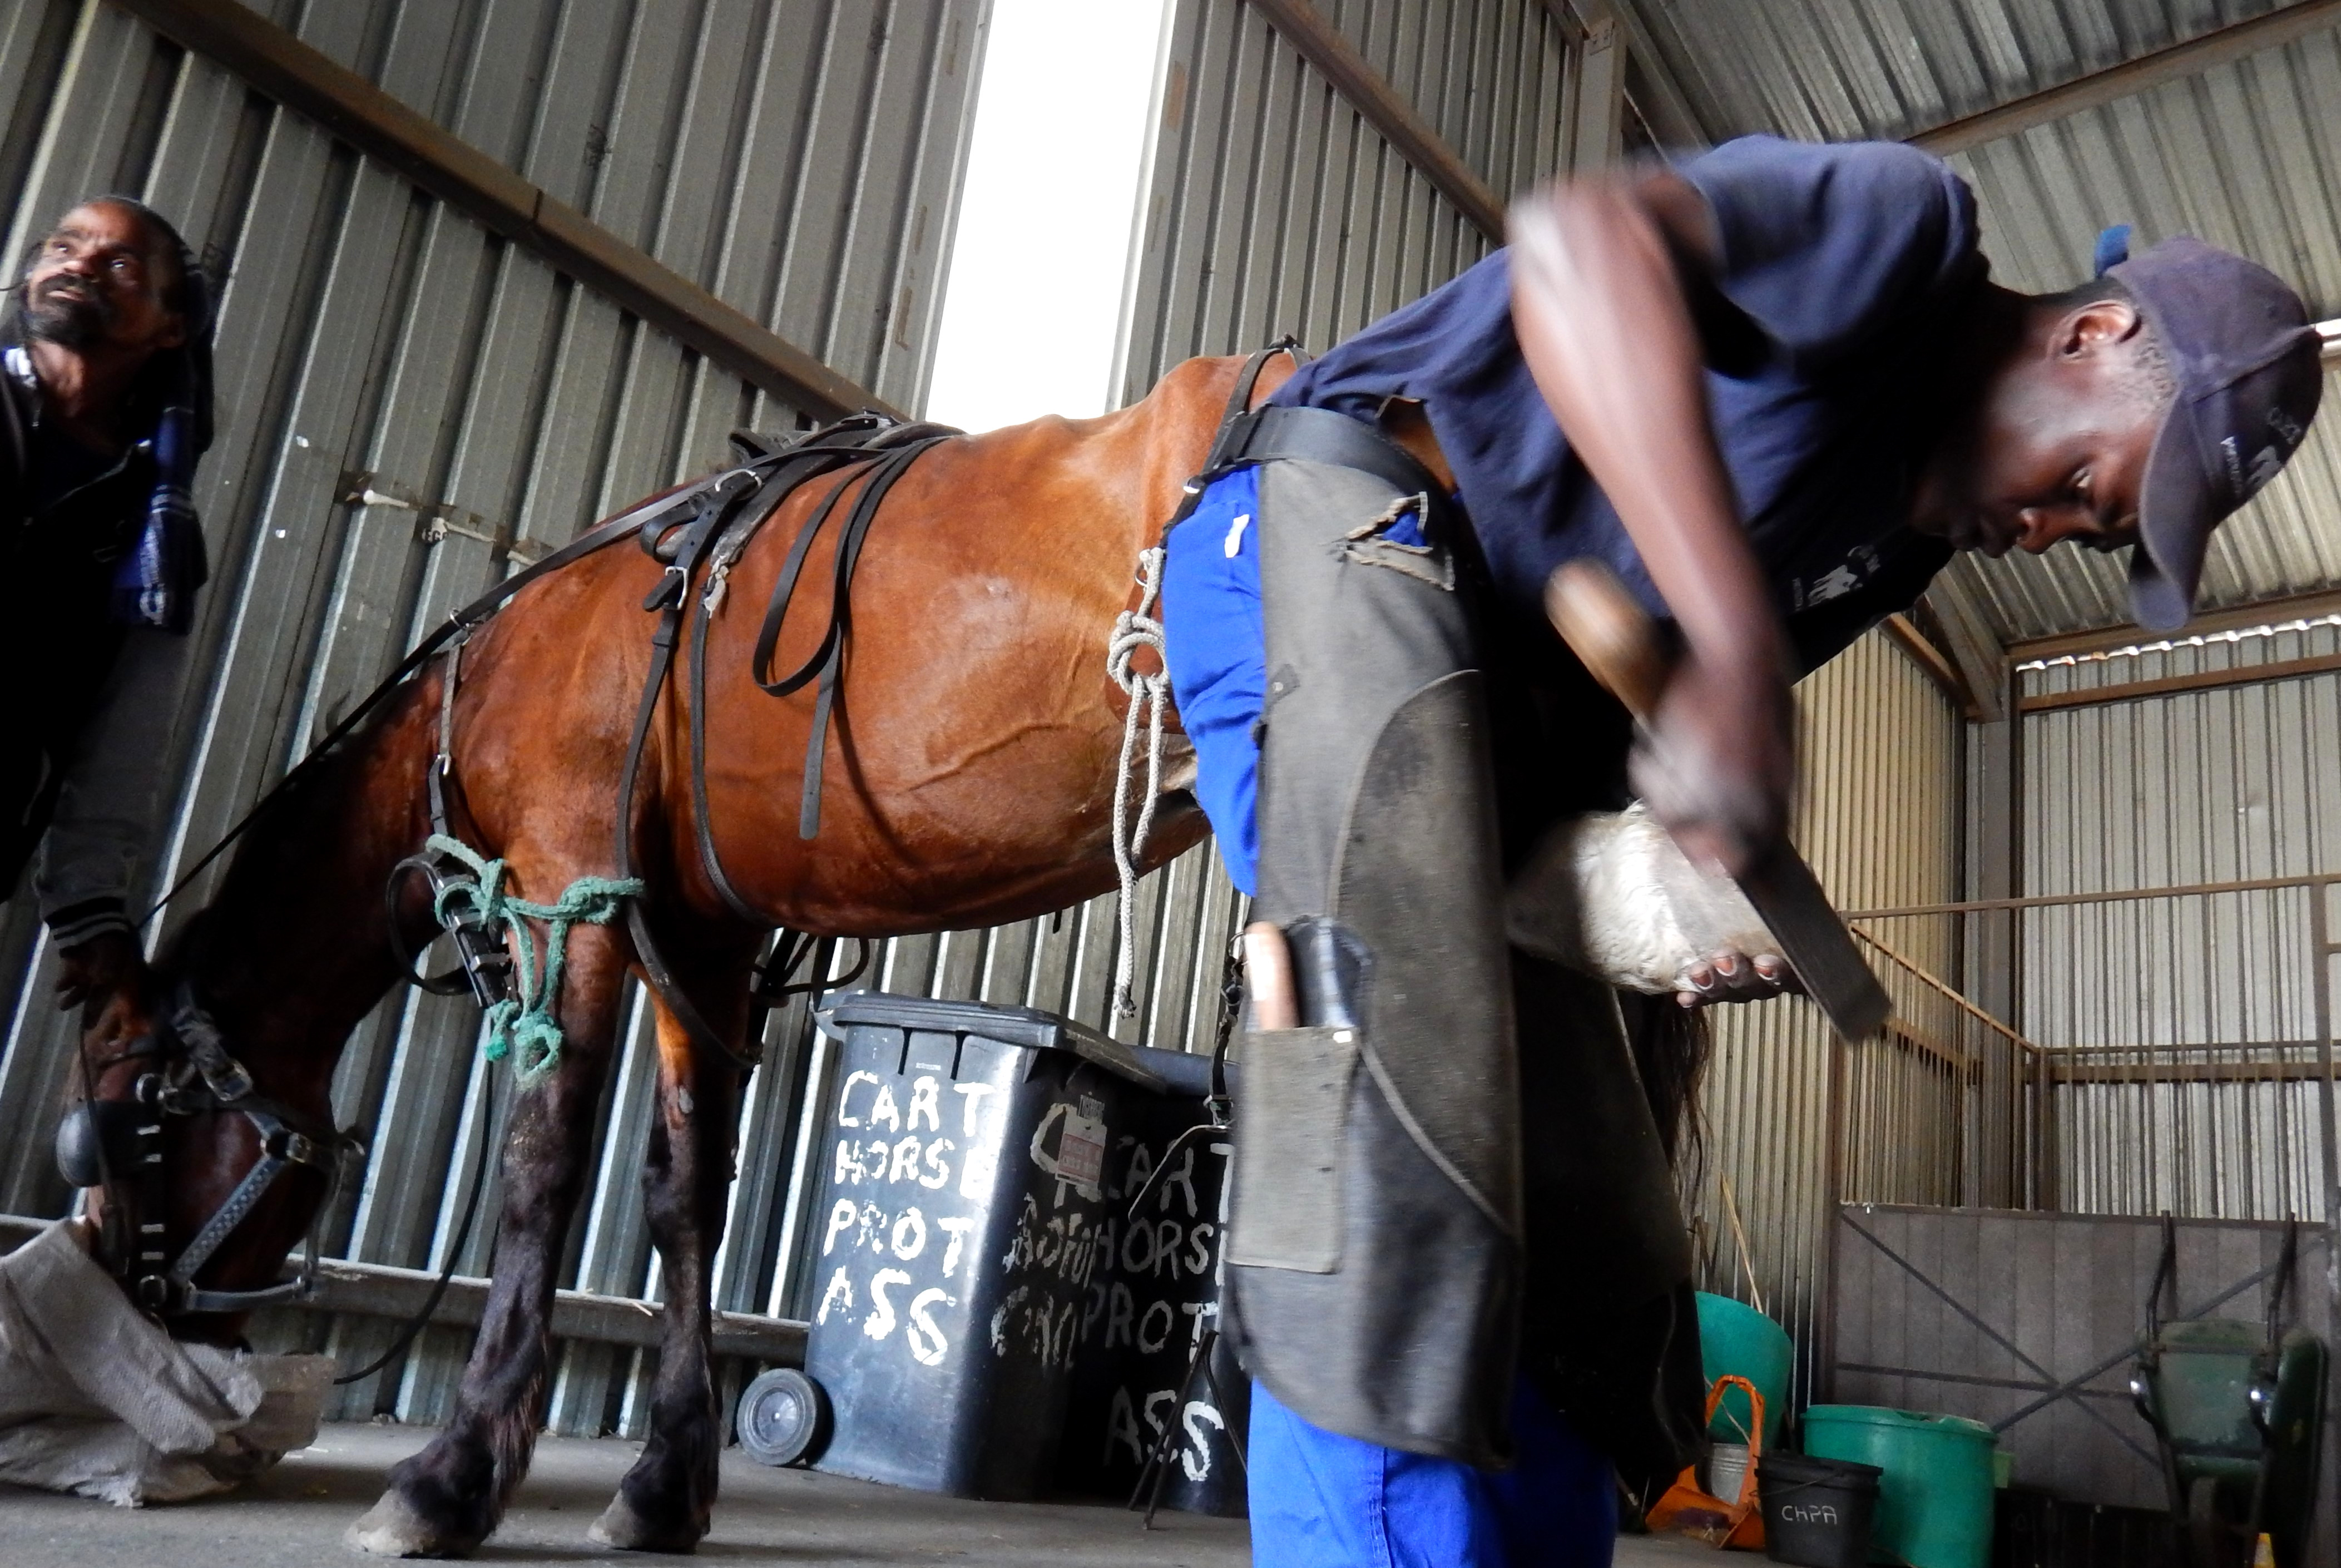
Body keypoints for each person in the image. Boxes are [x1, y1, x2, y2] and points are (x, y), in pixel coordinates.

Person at [1159, 135, 2323, 1566]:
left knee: (1593, 1238)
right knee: (1400, 1125)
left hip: (1514, 728)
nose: (2042, 533)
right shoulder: (1901, 243)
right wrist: (1728, 649)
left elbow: (1667, 700)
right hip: (1344, 537)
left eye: (2085, 535)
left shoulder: (1898, 545)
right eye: (2085, 481)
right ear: (2092, 332)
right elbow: (1580, 250)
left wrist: (1676, 855)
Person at [2, 196, 215, 1042]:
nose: (80, 263)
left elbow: (121, 738)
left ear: (171, 329)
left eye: (121, 264)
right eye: (64, 244)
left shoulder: (151, 533)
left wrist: (95, 914)